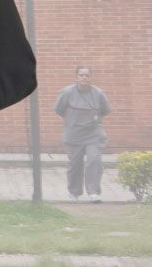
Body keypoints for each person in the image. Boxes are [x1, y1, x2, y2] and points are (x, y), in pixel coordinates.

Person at [55, 66, 111, 202]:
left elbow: (105, 111)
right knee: (75, 164)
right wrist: (73, 120)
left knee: (94, 160)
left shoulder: (99, 93)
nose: (84, 78)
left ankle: (94, 193)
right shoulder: (67, 92)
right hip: (74, 134)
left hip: (94, 134)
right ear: (77, 77)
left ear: (91, 77)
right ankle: (74, 193)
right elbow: (59, 110)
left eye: (87, 75)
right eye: (81, 75)